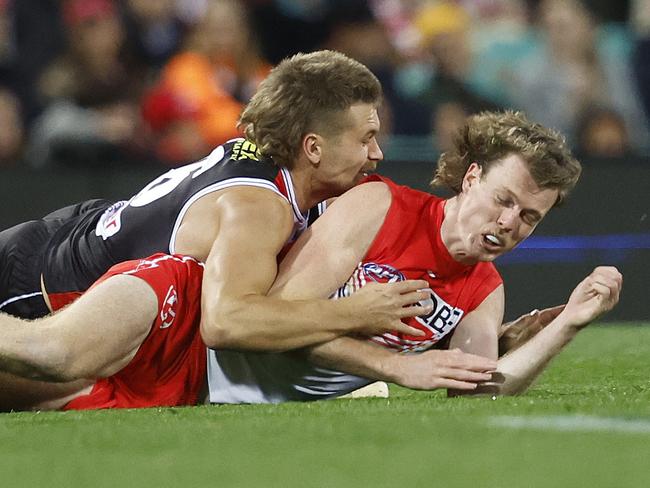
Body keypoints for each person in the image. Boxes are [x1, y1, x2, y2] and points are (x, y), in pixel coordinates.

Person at [0, 111, 621, 410]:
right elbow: (273, 320)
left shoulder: (482, 289)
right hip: (184, 312)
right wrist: (390, 358)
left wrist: (570, 322)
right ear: (471, 177)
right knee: (50, 355)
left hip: (194, 392)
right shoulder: (379, 206)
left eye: (529, 217)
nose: (509, 224)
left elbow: (480, 386)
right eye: (504, 200)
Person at [0, 50, 437, 355]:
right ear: (314, 147)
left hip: (72, 235)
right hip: (40, 286)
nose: (377, 154)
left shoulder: (276, 169)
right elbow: (227, 321)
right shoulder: (260, 207)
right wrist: (350, 314)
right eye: (365, 139)